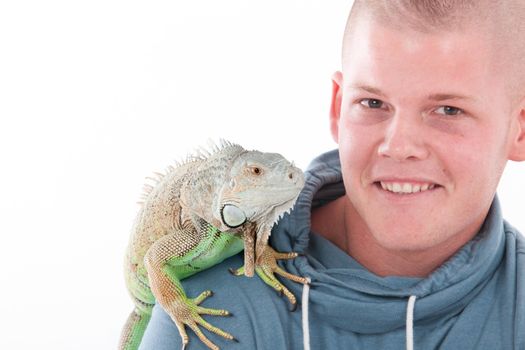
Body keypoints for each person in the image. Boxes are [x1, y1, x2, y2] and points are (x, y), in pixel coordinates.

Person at [139, 1, 525, 349]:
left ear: (519, 129)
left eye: (448, 110)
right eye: (373, 102)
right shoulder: (207, 312)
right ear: (339, 108)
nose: (399, 145)